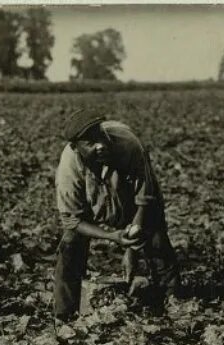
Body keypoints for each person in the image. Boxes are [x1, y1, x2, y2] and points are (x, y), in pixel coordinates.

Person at [53, 109, 180, 320]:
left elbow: (144, 198)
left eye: (100, 136)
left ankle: (173, 304)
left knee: (156, 241)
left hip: (132, 199)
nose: (100, 145)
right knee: (70, 243)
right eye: (90, 142)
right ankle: (64, 313)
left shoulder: (127, 144)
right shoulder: (69, 167)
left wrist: (131, 246)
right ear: (76, 148)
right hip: (92, 206)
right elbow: (72, 219)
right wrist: (112, 236)